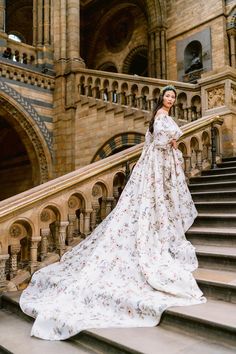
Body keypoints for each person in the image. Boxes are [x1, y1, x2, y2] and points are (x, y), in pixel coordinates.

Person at [20, 85, 206, 341]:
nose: (171, 99)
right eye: (168, 96)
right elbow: (161, 141)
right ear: (161, 98)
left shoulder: (159, 117)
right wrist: (173, 141)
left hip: (154, 164)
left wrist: (170, 142)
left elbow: (152, 141)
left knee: (152, 204)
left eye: (173, 97)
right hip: (156, 162)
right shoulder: (160, 117)